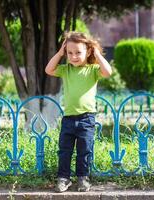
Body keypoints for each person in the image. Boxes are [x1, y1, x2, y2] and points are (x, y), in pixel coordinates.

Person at [45, 31, 112, 192]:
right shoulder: (66, 70)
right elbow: (48, 69)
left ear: (87, 51)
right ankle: (64, 178)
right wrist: (60, 53)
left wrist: (96, 53)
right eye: (70, 53)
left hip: (86, 119)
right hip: (68, 118)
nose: (74, 56)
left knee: (84, 150)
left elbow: (108, 72)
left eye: (78, 52)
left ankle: (83, 178)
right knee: (64, 151)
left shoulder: (93, 70)